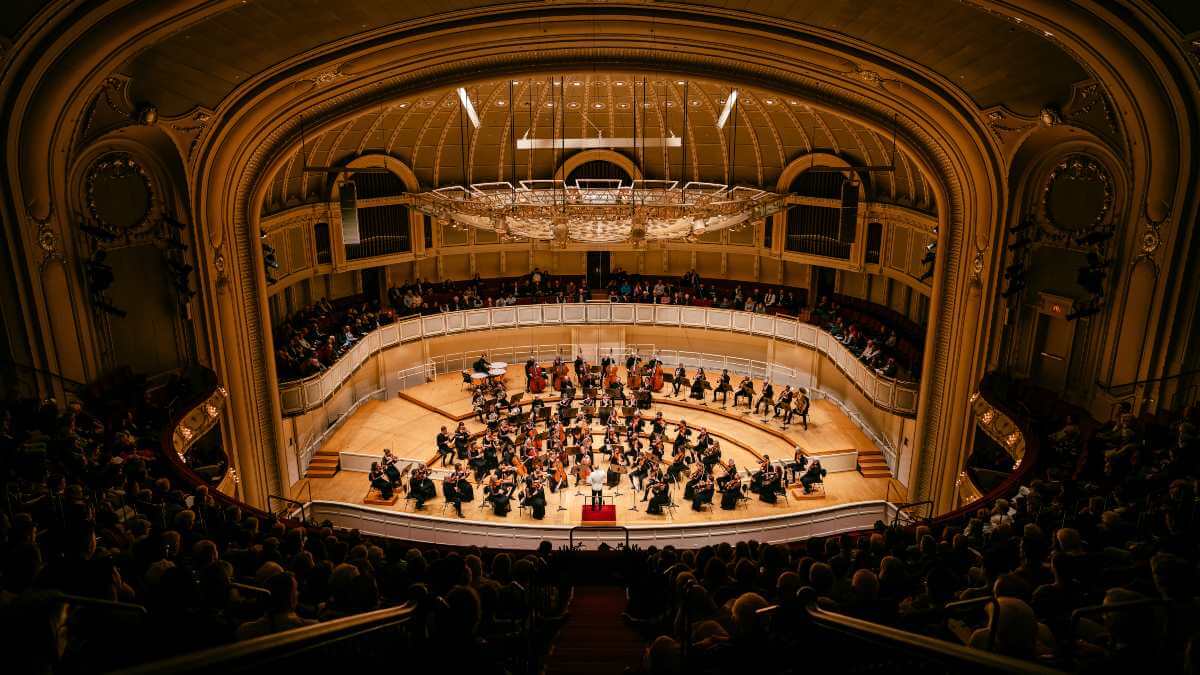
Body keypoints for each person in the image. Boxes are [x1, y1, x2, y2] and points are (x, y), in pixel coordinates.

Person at [235, 572, 315, 640]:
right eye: (296, 590)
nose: (298, 593)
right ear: (290, 598)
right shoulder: (313, 628)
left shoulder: (245, 631)